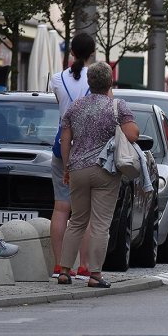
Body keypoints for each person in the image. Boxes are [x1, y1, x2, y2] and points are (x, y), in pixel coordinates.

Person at [57, 62, 140, 287]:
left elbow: (65, 140)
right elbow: (133, 135)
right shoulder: (117, 106)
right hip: (105, 171)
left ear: (89, 82)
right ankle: (94, 274)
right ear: (110, 82)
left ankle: (64, 271)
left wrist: (67, 167)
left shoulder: (76, 106)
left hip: (77, 169)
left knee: (76, 221)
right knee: (100, 224)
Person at [48, 32, 94, 279]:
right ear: (92, 53)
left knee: (61, 208)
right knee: (84, 213)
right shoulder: (96, 79)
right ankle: (84, 265)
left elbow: (60, 106)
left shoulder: (57, 79)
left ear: (71, 52)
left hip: (61, 147)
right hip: (88, 149)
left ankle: (59, 265)